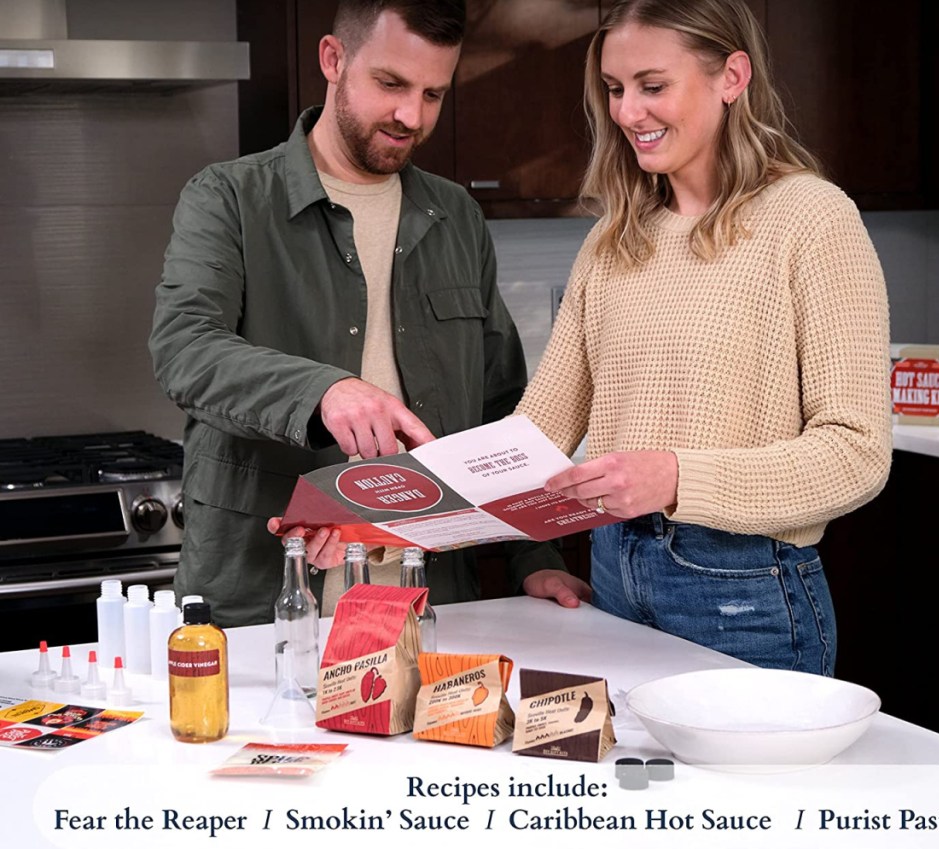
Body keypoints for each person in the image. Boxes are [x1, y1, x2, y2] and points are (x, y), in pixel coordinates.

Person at [150, 0, 589, 628]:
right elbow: (185, 350)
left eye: (433, 93)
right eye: (391, 84)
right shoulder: (229, 197)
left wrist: (533, 557)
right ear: (333, 60)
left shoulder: (456, 216)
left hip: (433, 603)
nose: (412, 115)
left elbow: (502, 409)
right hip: (267, 599)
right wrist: (325, 391)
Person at [515, 0, 892, 675]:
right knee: (630, 785)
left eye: (653, 86)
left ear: (732, 77)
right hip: (611, 571)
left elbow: (857, 453)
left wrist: (679, 478)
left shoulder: (812, 219)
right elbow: (531, 438)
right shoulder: (611, 241)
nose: (628, 112)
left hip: (745, 591)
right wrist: (371, 516)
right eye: (614, 89)